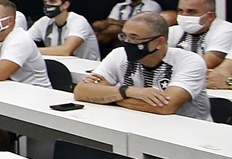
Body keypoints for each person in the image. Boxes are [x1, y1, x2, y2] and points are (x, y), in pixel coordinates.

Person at [76, 12, 212, 120]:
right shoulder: (119, 54)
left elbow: (165, 107)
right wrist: (128, 91)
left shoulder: (189, 62)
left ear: (159, 42)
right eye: (124, 36)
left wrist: (108, 97)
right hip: (137, 122)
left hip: (188, 131)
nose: (127, 42)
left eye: (134, 38)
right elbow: (81, 91)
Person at [167, 0, 232, 69]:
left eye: (191, 12)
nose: (184, 15)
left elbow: (206, 65)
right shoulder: (173, 31)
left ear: (210, 16)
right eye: (180, 11)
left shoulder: (227, 31)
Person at [28, 0, 101, 61]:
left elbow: (65, 50)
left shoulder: (78, 21)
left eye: (52, 1)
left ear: (65, 5)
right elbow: (24, 39)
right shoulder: (43, 21)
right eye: (45, 2)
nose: (48, 5)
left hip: (86, 66)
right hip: (59, 64)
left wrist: (31, 50)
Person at [93, 0, 162, 45]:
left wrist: (115, 23)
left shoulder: (151, 5)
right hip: (114, 37)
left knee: (114, 29)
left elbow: (141, 24)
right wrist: (116, 23)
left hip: (139, 36)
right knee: (97, 24)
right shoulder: (119, 6)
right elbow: (109, 21)